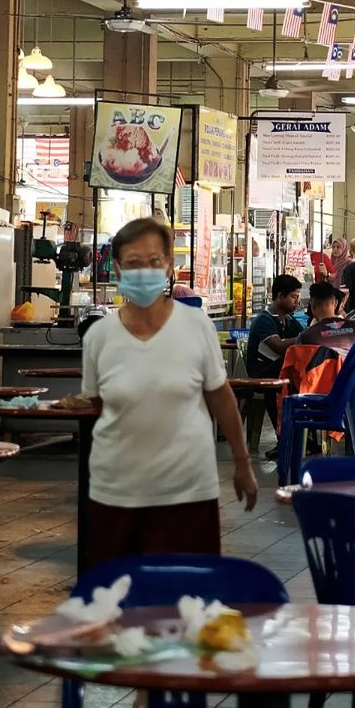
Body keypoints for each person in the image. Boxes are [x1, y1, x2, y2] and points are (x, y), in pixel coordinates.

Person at [80, 217, 256, 565]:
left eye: (153, 261)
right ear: (117, 269)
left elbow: (220, 397)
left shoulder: (196, 326)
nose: (144, 271)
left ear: (168, 266)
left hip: (188, 492)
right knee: (118, 605)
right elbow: (99, 405)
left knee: (188, 607)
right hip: (116, 493)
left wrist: (242, 462)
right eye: (133, 263)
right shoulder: (100, 337)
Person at [247, 273, 303, 378]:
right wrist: (304, 337)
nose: (297, 302)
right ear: (280, 296)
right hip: (263, 375)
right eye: (293, 297)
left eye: (298, 297)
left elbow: (303, 336)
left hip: (280, 373)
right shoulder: (263, 320)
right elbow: (279, 347)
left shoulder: (290, 320)